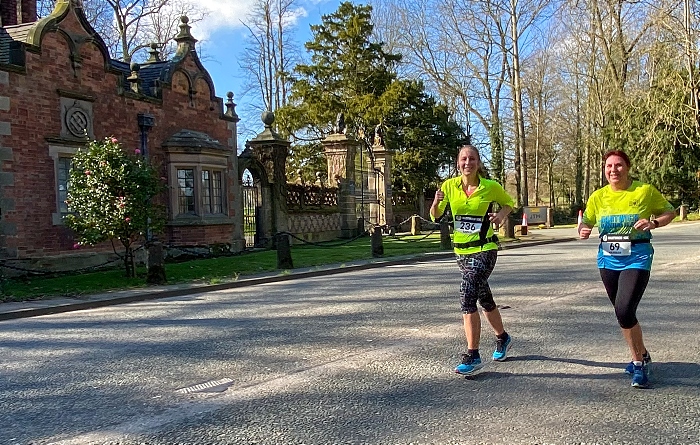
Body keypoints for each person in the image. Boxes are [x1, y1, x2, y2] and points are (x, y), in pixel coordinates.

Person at [578, 149, 676, 388]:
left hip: (637, 257)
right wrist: (583, 229)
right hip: (608, 260)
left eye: (619, 165)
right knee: (624, 314)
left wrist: (653, 222)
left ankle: (639, 365)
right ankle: (642, 353)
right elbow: (587, 221)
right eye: (609, 166)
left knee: (624, 309)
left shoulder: (644, 191)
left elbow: (669, 212)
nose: (613, 170)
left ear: (628, 167)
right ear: (604, 170)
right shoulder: (598, 196)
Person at [430, 144, 514, 375]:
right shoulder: (449, 186)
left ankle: (473, 355)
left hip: (485, 248)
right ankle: (503, 337)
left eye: (472, 159)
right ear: (458, 163)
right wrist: (436, 203)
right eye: (463, 159)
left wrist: (500, 215)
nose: (467, 163)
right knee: (484, 298)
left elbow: (509, 203)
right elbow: (436, 215)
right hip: (461, 252)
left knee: (467, 296)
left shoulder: (490, 187)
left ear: (478, 163)